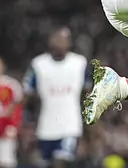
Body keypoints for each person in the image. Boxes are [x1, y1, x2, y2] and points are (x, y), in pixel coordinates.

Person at [23, 27, 90, 168]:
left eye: (64, 39)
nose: (60, 42)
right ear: (50, 41)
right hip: (45, 125)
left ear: (69, 42)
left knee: (61, 162)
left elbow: (88, 92)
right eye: (57, 38)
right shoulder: (38, 64)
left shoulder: (79, 63)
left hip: (70, 124)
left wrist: (90, 123)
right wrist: (27, 122)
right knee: (44, 163)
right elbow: (28, 93)